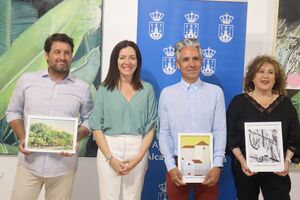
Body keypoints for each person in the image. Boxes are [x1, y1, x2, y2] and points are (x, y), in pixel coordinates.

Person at [6, 33, 93, 200]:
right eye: (57, 52)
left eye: (67, 53)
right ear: (47, 55)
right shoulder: (27, 80)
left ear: (71, 56)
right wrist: (23, 137)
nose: (62, 57)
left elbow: (90, 119)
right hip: (29, 164)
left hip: (63, 167)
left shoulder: (82, 88)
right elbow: (13, 111)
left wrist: (75, 137)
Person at [88, 40, 158, 200]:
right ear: (115, 61)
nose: (127, 62)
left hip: (137, 148)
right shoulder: (104, 90)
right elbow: (96, 127)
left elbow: (151, 127)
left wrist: (138, 158)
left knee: (133, 197)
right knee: (108, 196)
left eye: (132, 58)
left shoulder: (147, 89)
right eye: (122, 57)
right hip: (109, 147)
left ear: (138, 62)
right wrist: (110, 158)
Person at [158, 38, 226, 200]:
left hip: (208, 163)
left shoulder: (215, 92)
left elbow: (220, 131)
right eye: (186, 59)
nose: (191, 63)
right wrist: (170, 166)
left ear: (202, 62)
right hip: (176, 164)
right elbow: (164, 133)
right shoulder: (167, 94)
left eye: (195, 58)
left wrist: (217, 165)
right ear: (177, 64)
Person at [226, 55, 300, 200]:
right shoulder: (238, 103)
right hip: (246, 168)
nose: (265, 76)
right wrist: (242, 161)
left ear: (276, 79)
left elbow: (295, 136)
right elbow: (230, 134)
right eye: (261, 71)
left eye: (271, 72)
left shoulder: (285, 104)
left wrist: (286, 161)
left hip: (277, 171)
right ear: (252, 76)